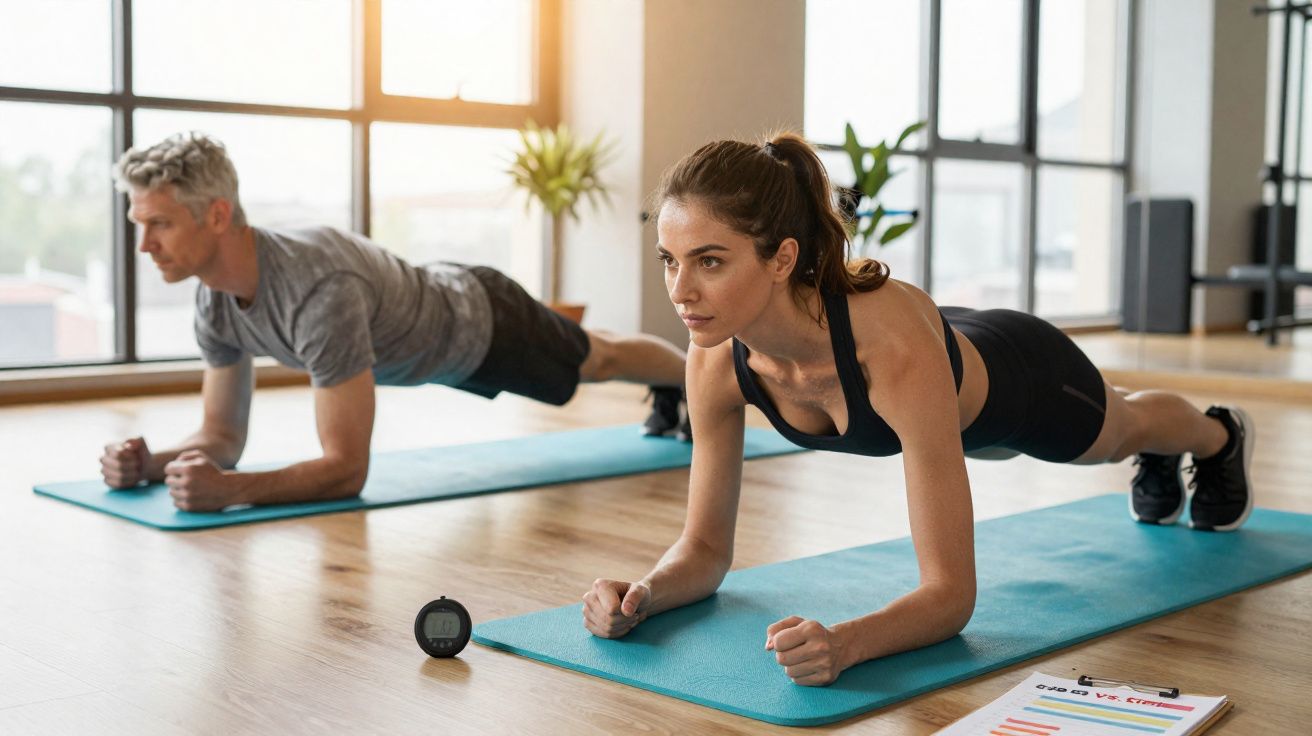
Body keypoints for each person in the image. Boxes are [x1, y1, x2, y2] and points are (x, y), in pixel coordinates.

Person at [581, 133, 1255, 687]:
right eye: (670, 261)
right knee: (1113, 431)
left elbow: (951, 595)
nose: (681, 289)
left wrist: (846, 644)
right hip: (938, 362)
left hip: (1019, 379)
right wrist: (642, 596)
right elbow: (702, 551)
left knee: (1120, 432)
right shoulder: (714, 361)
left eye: (709, 261)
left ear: (782, 258)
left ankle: (1215, 435)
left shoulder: (889, 346)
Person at [99, 132, 690, 512]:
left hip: (481, 323)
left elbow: (346, 470)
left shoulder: (319, 287)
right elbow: (223, 438)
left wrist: (233, 492)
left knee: (598, 358)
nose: (144, 245)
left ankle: (694, 376)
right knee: (598, 350)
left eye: (160, 224)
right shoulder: (214, 301)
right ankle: (679, 382)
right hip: (435, 317)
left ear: (218, 215)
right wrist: (150, 463)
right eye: (138, 225)